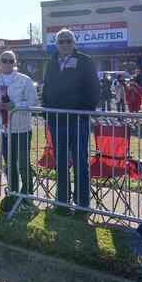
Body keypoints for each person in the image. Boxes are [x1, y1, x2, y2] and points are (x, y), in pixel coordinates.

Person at [42, 29, 99, 215]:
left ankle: (82, 205)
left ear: (74, 43)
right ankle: (62, 203)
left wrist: (84, 112)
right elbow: (47, 89)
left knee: (81, 162)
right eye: (61, 41)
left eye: (68, 41)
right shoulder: (51, 62)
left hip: (78, 121)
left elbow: (94, 90)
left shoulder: (85, 61)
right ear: (56, 44)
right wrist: (47, 113)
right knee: (61, 162)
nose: (65, 44)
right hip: (57, 121)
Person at [0, 50, 38, 212]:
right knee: (10, 164)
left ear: (15, 63)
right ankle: (13, 194)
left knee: (23, 163)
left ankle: (28, 196)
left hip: (22, 128)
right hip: (3, 129)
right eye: (5, 60)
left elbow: (33, 102)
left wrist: (16, 106)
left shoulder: (25, 80)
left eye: (11, 61)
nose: (8, 63)